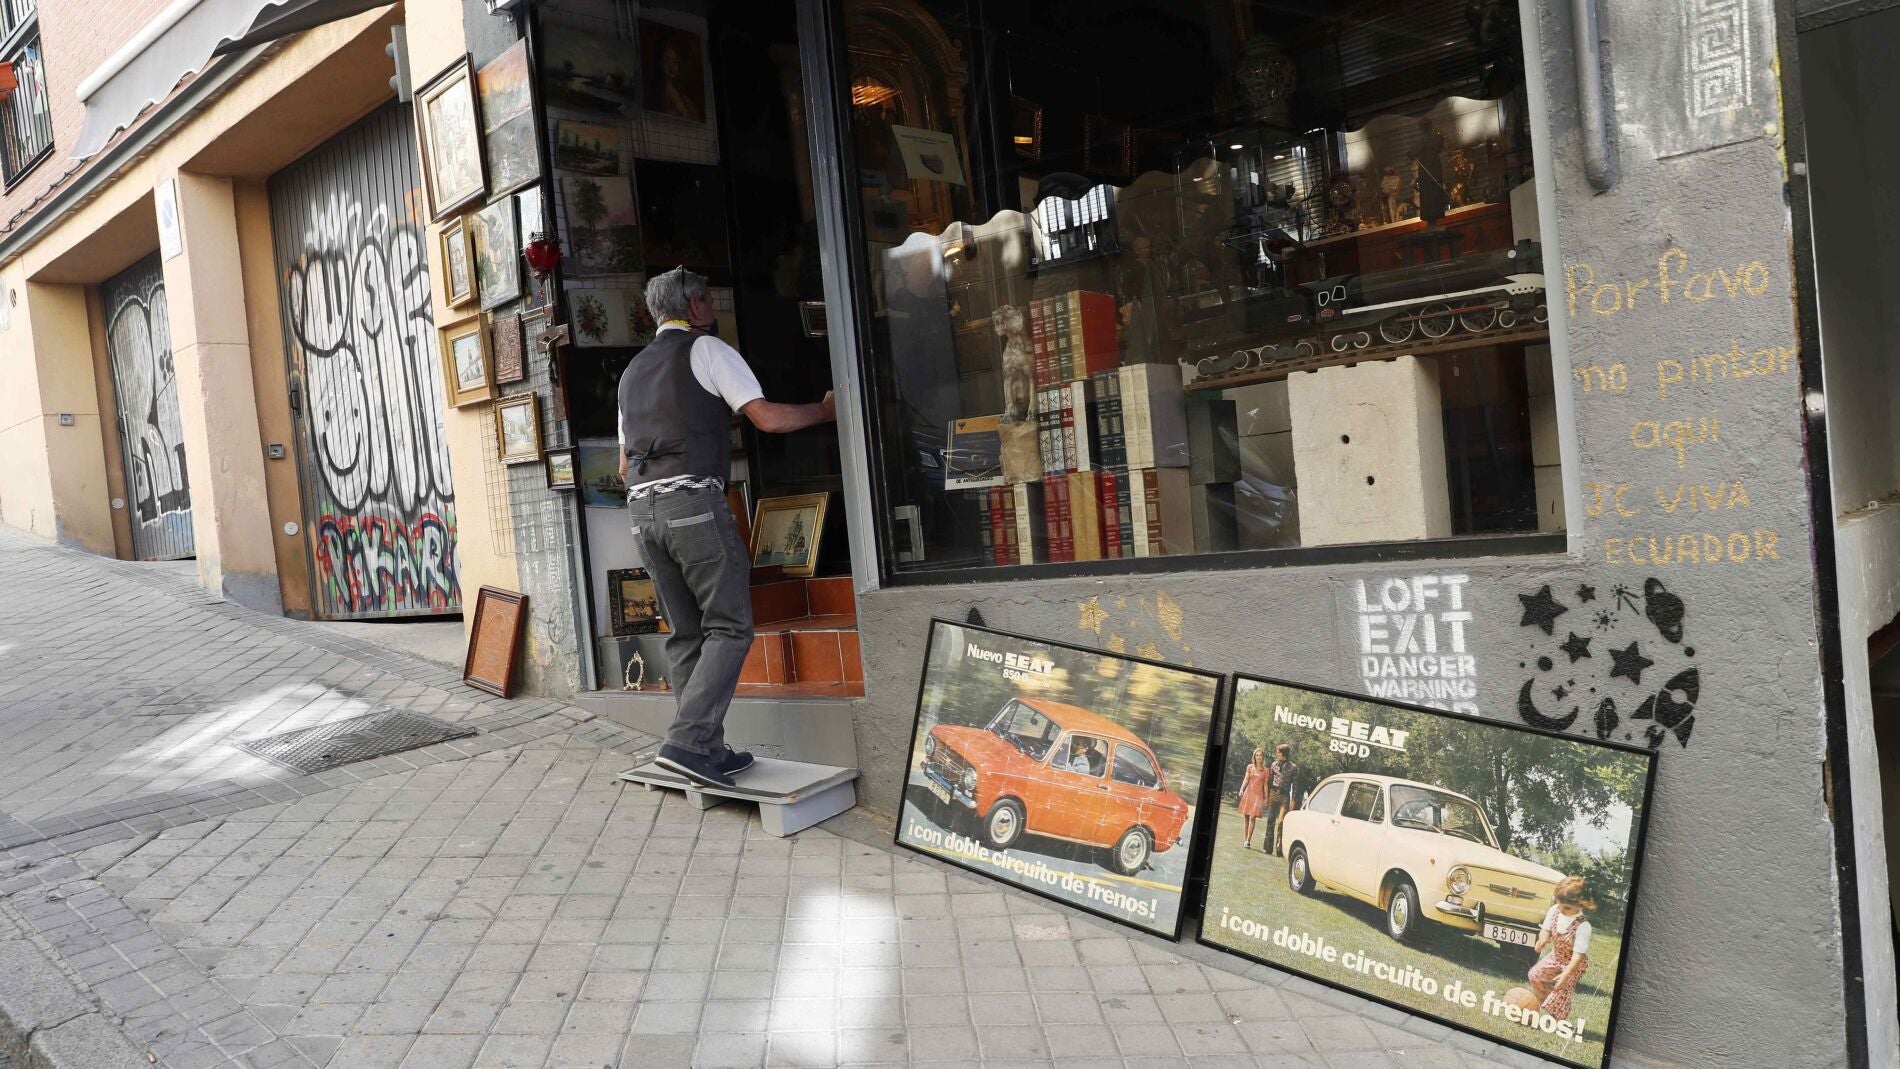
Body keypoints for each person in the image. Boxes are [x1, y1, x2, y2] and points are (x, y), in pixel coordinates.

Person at [620, 266, 835, 788]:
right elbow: (768, 419)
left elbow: (625, 465)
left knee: (686, 633)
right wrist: (827, 411)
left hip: (642, 514)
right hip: (692, 504)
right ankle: (686, 742)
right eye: (709, 301)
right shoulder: (707, 349)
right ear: (695, 306)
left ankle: (706, 751)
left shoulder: (631, 373)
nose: (712, 309)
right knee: (731, 627)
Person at [1528, 876, 1595, 1019]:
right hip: (1556, 956)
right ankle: (1546, 1003)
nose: (1561, 909)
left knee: (1561, 988)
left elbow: (1578, 956)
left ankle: (1559, 1020)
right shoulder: (1554, 910)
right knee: (1535, 975)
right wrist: (1542, 939)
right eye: (1558, 904)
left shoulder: (1583, 926)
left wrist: (1566, 974)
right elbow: (1546, 929)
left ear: (1581, 904)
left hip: (1573, 965)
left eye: (1566, 907)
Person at [1262, 743, 1300, 856]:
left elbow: (1296, 785)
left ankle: (1280, 850)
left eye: (1278, 752)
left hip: (1285, 796)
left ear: (1284, 753)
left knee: (1281, 822)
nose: (1276, 754)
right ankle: (1268, 848)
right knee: (1270, 820)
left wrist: (1293, 800)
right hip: (1273, 793)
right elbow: (1270, 781)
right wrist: (1267, 796)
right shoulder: (1274, 764)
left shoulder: (1293, 767)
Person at [1237, 748, 1269, 848]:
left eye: (1260, 755)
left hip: (1258, 796)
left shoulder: (1266, 770)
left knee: (1252, 817)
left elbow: (1265, 785)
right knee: (1246, 817)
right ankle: (1245, 840)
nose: (1259, 757)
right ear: (1254, 757)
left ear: (1263, 757)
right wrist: (1241, 789)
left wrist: (1266, 797)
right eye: (1257, 755)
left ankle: (1248, 841)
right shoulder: (1250, 767)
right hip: (1248, 793)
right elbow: (1246, 779)